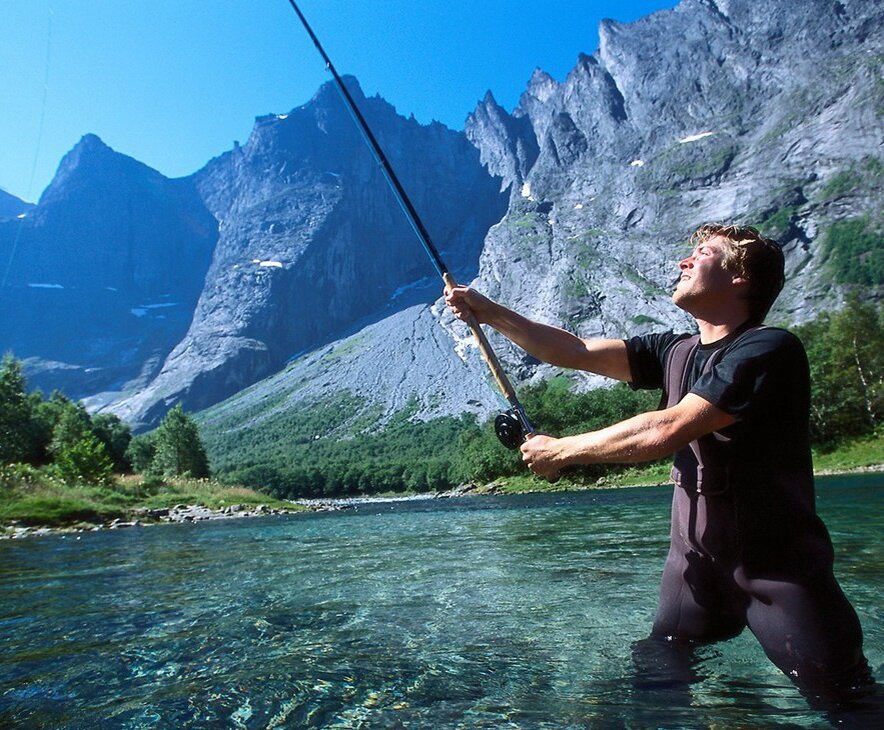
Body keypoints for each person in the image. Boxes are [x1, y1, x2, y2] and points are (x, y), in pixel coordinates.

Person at [444, 223, 873, 706]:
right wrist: (487, 310)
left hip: (777, 574)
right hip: (692, 569)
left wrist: (560, 451)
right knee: (657, 680)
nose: (683, 262)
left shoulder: (768, 348)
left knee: (845, 700)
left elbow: (667, 428)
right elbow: (573, 351)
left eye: (703, 254)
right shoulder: (673, 351)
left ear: (741, 280)